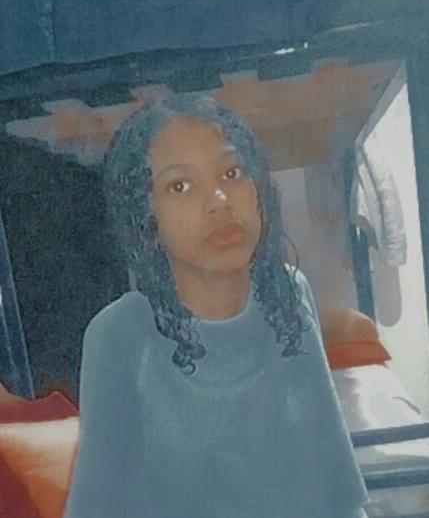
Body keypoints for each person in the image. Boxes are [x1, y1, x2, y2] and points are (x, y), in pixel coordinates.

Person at [64, 94, 370, 518]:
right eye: (181, 186)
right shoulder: (119, 334)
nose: (220, 200)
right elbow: (94, 507)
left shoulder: (287, 293)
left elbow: (332, 480)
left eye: (232, 172)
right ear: (147, 218)